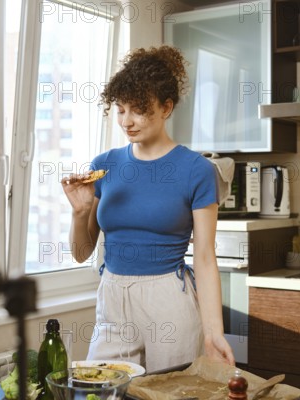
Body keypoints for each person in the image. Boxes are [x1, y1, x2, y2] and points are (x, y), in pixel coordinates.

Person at [61, 45, 235, 372]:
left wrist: (214, 333)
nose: (127, 121)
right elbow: (81, 253)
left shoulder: (196, 170)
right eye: (121, 109)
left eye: (138, 110)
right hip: (112, 297)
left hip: (168, 301)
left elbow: (205, 258)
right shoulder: (105, 166)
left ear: (166, 107)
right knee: (103, 391)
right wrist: (80, 213)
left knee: (170, 394)